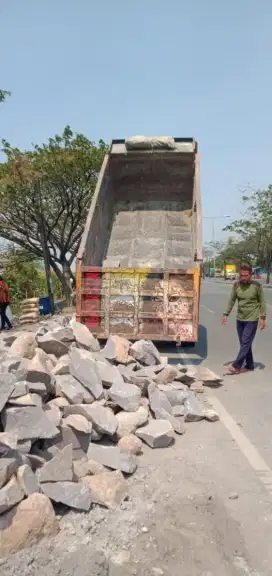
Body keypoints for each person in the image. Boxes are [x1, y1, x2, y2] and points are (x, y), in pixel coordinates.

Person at [221, 263, 266, 374]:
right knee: (244, 343)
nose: (243, 278)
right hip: (240, 318)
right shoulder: (236, 285)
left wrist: (263, 318)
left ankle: (237, 365)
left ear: (251, 275)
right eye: (241, 275)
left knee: (245, 342)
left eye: (245, 275)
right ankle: (250, 365)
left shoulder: (257, 286)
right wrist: (225, 314)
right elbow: (232, 300)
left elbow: (262, 302)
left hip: (252, 319)